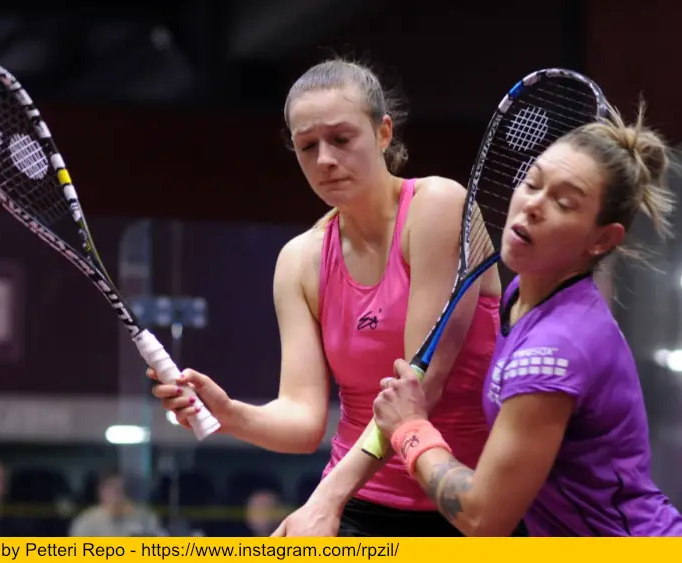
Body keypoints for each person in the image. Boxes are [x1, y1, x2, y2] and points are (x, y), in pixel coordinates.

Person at [148, 57, 522, 537]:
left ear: (383, 132)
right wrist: (230, 412)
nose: (324, 159)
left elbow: (419, 389)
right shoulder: (300, 261)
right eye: (307, 146)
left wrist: (325, 499)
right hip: (362, 503)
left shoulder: (438, 207)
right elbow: (304, 421)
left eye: (341, 139)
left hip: (468, 501)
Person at [371, 102, 682, 537]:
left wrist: (410, 428)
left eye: (564, 203)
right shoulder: (523, 297)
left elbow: (481, 516)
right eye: (532, 183)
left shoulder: (558, 348)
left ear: (603, 239)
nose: (532, 205)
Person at [69, 470, 161, 537]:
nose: (117, 494)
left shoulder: (144, 517)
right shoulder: (86, 522)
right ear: (101, 492)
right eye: (111, 488)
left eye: (122, 489)